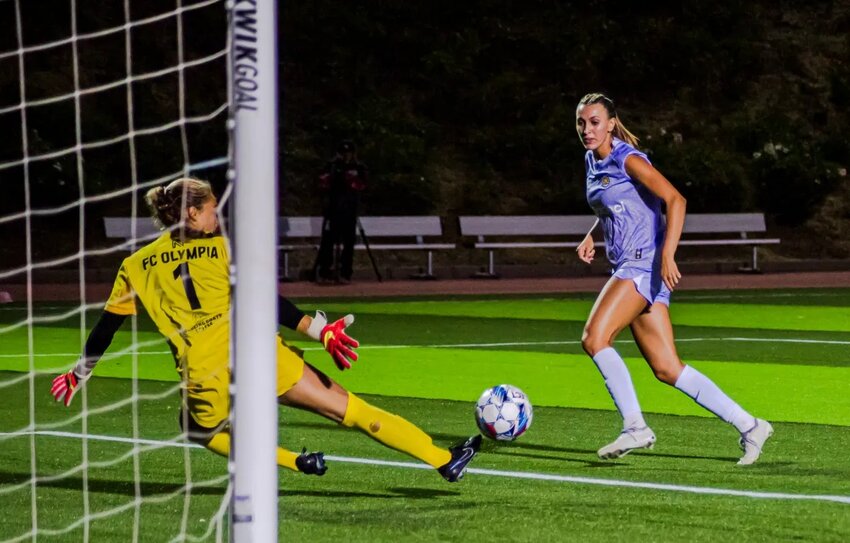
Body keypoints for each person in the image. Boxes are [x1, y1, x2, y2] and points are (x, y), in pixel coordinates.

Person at [50, 177, 480, 481]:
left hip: (203, 371)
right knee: (348, 410)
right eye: (211, 207)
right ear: (193, 212)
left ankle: (293, 461)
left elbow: (107, 326)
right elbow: (263, 298)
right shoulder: (222, 248)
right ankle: (442, 458)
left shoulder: (135, 265)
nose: (217, 213)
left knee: (197, 428)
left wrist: (80, 372)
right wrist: (320, 331)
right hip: (256, 354)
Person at [574, 93, 773, 465]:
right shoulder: (591, 159)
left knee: (594, 337)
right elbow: (614, 203)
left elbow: (675, 199)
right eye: (582, 123)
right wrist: (592, 232)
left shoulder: (626, 157)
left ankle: (635, 426)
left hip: (642, 264)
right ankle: (750, 425)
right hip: (630, 264)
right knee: (667, 368)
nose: (588, 129)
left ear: (612, 123)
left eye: (595, 122)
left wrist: (668, 254)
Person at [315, 139, 368, 284]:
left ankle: (346, 272)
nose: (346, 156)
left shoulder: (358, 167)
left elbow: (362, 185)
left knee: (348, 242)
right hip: (333, 210)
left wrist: (351, 181)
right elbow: (322, 183)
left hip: (349, 210)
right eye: (343, 153)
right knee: (328, 241)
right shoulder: (331, 166)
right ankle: (325, 271)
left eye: (349, 153)